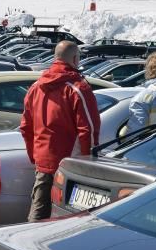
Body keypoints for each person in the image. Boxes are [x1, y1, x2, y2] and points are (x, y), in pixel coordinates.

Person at [20, 40, 100, 221]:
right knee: (69, 215)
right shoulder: (79, 87)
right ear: (75, 59)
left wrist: (35, 156)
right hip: (71, 163)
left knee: (38, 210)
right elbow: (88, 128)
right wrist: (89, 160)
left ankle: (26, 243)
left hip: (44, 160)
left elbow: (26, 126)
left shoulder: (35, 87)